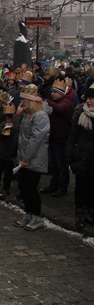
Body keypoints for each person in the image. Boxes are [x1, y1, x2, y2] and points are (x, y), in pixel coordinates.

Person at [14, 84, 50, 231]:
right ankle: (28, 213)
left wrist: (27, 157)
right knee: (23, 186)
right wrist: (18, 113)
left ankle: (37, 216)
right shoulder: (26, 114)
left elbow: (36, 138)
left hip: (34, 158)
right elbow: (19, 131)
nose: (21, 102)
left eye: (24, 100)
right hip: (24, 157)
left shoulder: (40, 115)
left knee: (30, 187)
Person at [65, 84, 94, 229]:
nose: (89, 101)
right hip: (82, 156)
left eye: (92, 98)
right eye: (87, 98)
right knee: (81, 186)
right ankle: (80, 213)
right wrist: (70, 155)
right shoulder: (80, 115)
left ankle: (90, 211)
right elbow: (72, 136)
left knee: (91, 187)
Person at [41, 78, 73, 197]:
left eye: (55, 92)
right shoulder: (56, 103)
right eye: (52, 92)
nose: (53, 94)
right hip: (53, 138)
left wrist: (46, 101)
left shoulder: (66, 103)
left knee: (62, 165)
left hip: (62, 139)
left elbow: (60, 109)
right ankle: (54, 184)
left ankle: (62, 187)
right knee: (54, 165)